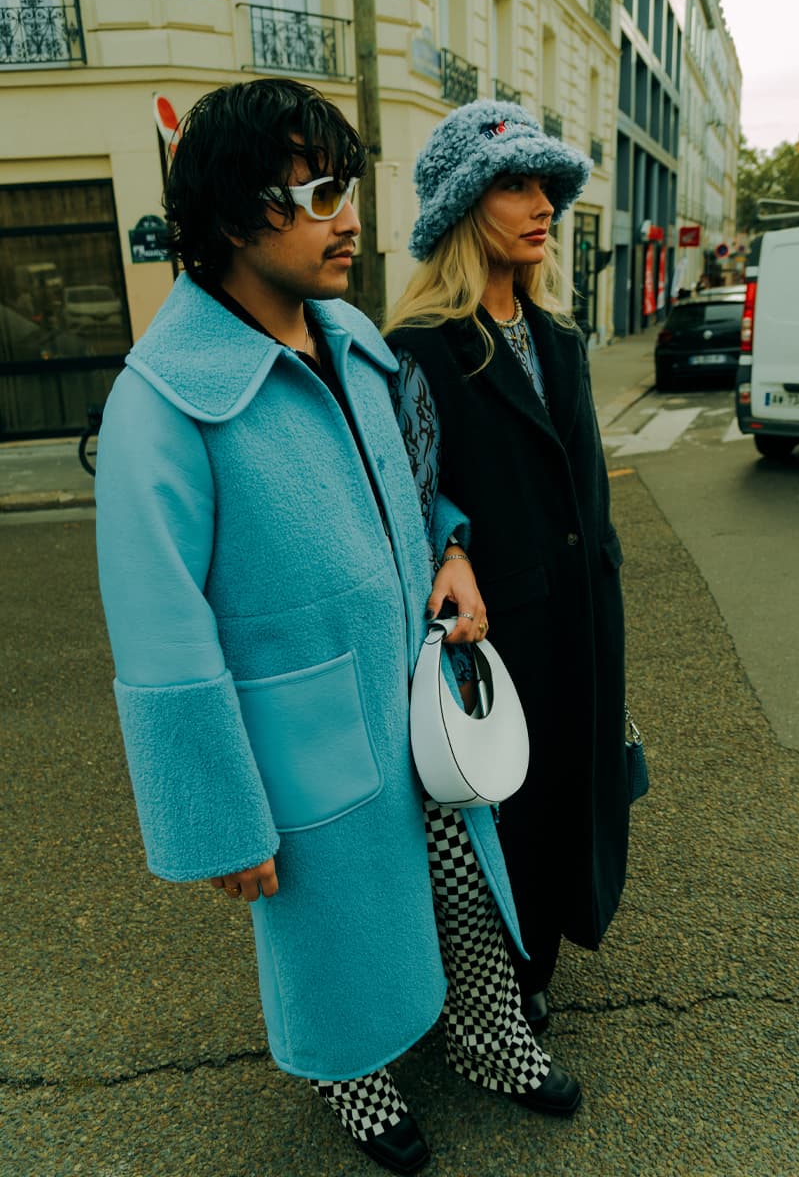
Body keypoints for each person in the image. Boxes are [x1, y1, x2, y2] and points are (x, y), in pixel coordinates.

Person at [94, 79, 582, 1177]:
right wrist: (217, 822)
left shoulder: (354, 336)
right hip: (295, 740)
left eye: (345, 187)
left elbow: (411, 480)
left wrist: (449, 543)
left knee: (466, 888)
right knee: (326, 937)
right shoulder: (160, 401)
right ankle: (354, 1086)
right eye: (313, 192)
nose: (348, 217)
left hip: (411, 697)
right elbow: (160, 638)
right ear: (226, 214)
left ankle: (490, 1041)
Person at [384, 99, 630, 1036]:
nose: (543, 206)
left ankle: (540, 965)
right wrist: (452, 546)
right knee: (502, 820)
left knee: (575, 796)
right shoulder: (418, 353)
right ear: (460, 209)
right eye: (514, 186)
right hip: (497, 638)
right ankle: (500, 989)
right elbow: (404, 503)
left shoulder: (561, 339)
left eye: (547, 188)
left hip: (580, 621)